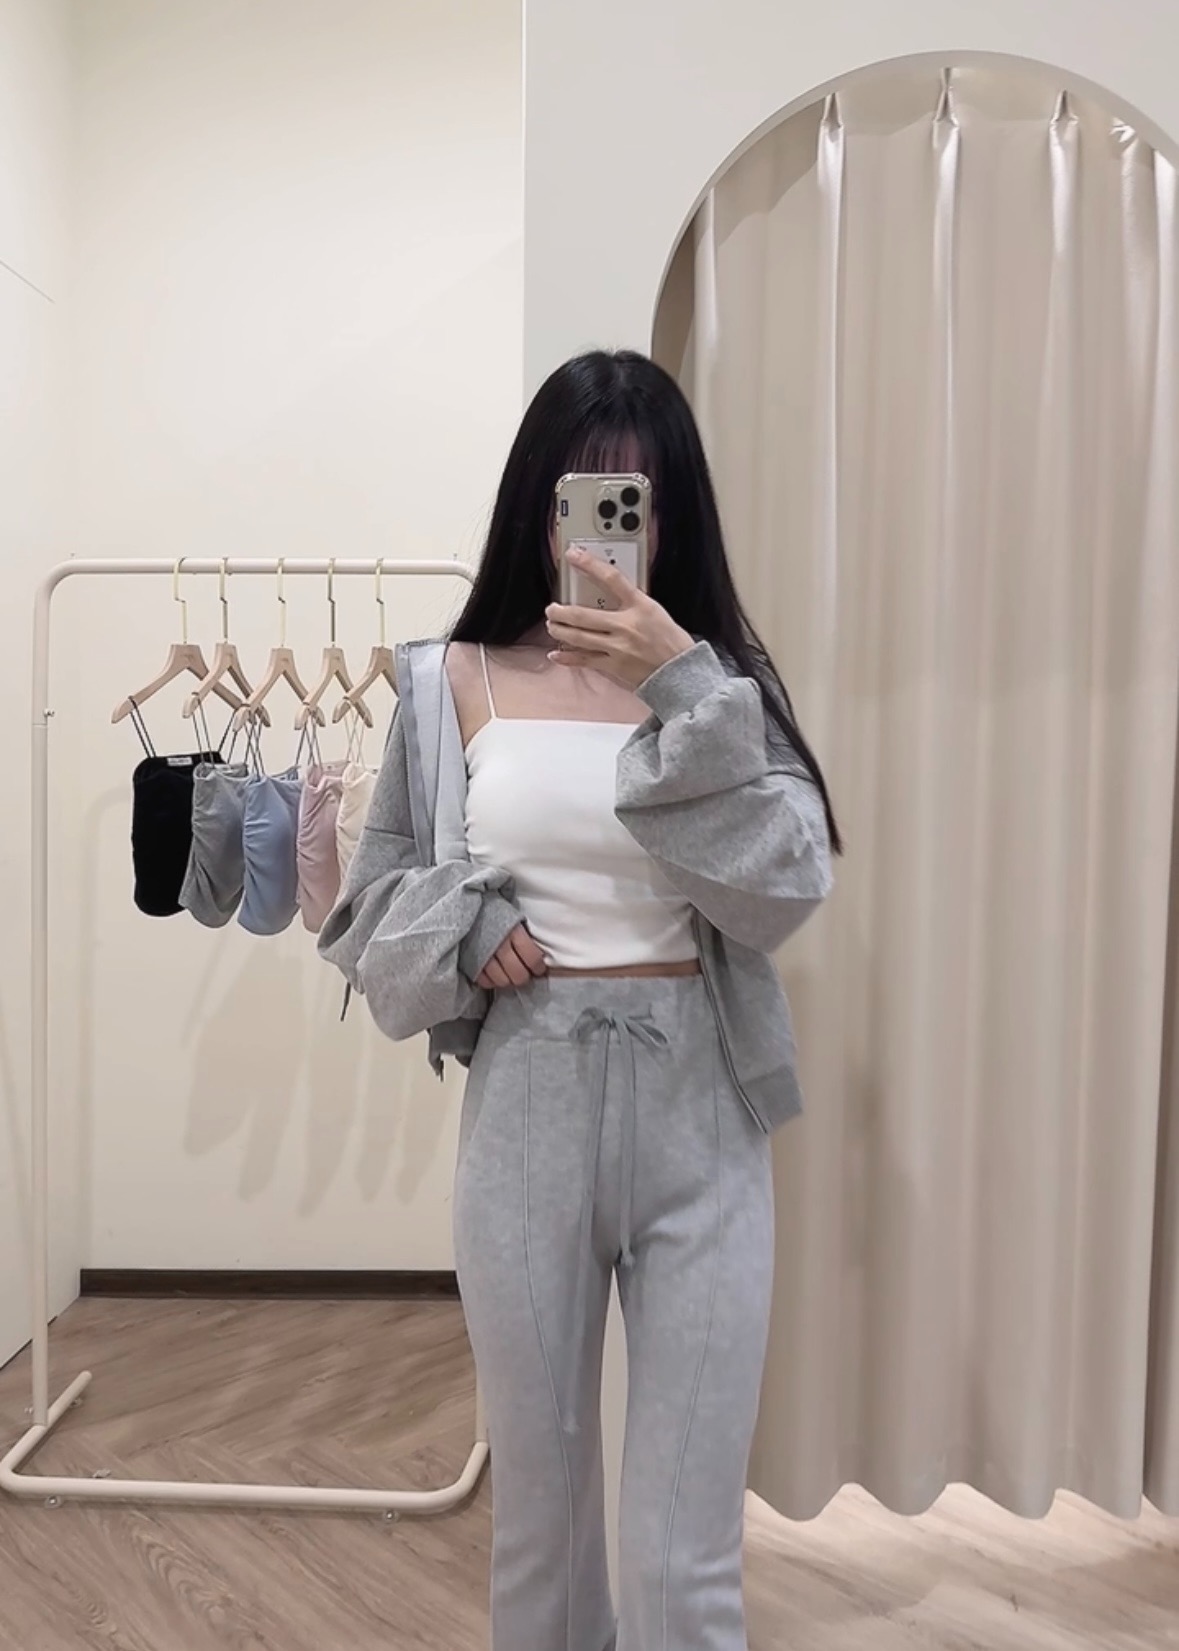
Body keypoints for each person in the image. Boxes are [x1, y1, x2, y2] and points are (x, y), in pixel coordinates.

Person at [319, 349, 837, 1651]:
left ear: (674, 518)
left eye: (634, 500)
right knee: (542, 1532)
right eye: (582, 497)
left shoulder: (722, 686)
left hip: (702, 1112)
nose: (605, 532)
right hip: (529, 1102)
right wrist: (468, 922)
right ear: (537, 510)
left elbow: (784, 890)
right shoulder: (450, 681)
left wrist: (684, 688)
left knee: (683, 1555)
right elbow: (366, 910)